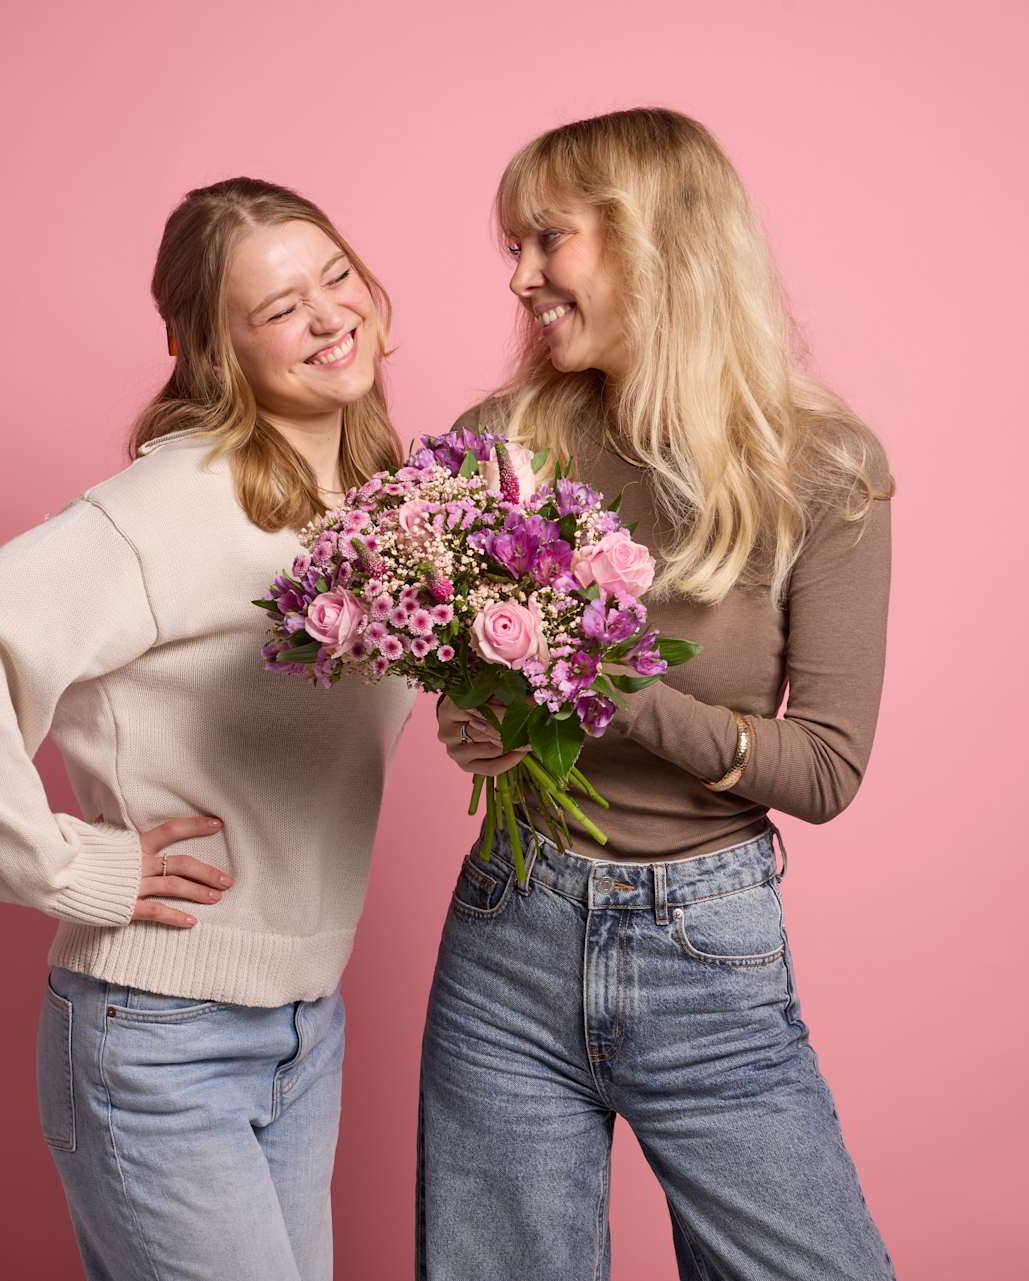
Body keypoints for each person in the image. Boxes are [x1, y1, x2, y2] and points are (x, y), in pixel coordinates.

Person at [0, 176, 414, 1281]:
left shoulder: (377, 501)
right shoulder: (177, 500)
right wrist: (70, 867)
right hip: (162, 1032)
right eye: (278, 309)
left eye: (335, 277)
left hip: (302, 1029)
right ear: (214, 351)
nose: (328, 316)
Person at [422, 108, 898, 1279]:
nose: (523, 276)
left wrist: (607, 684)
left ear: (650, 243)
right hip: (510, 933)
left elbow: (826, 770)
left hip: (708, 952)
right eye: (514, 249)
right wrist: (477, 720)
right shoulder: (505, 441)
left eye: (547, 240)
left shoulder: (823, 470)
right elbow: (469, 690)